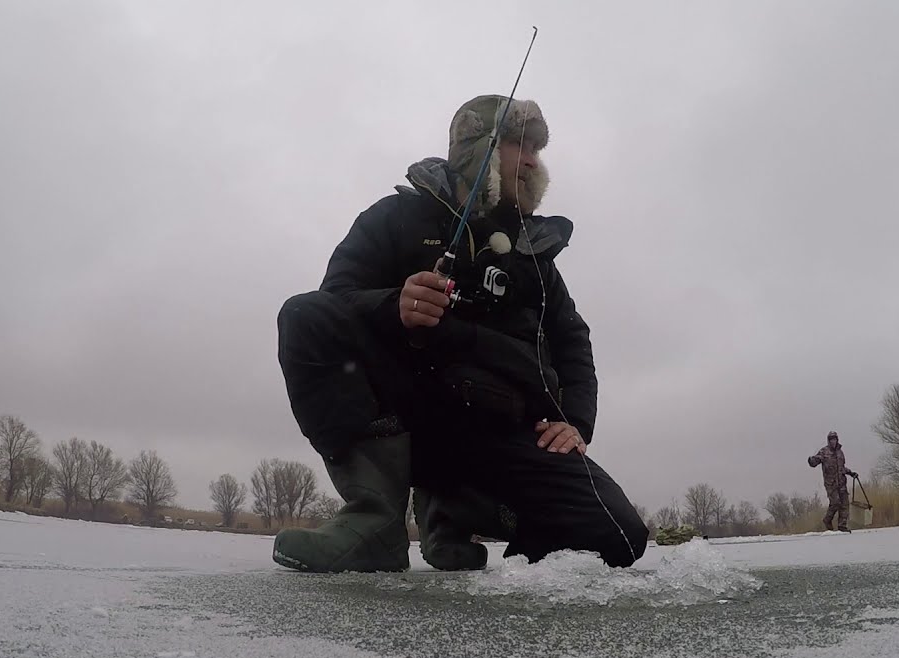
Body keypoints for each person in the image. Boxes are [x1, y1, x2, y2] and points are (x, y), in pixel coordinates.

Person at [271, 94, 650, 573]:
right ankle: (376, 523)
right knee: (305, 316)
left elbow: (573, 341)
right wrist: (395, 305)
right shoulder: (393, 218)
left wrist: (574, 420)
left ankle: (456, 511)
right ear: (480, 149)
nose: (534, 159)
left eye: (538, 148)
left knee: (618, 537)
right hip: (408, 415)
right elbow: (336, 296)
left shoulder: (536, 253)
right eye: (520, 143)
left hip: (502, 431)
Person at [807, 430, 858, 532]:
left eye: (834, 439)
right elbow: (816, 460)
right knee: (835, 503)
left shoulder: (840, 453)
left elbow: (842, 467)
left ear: (837, 439)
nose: (833, 441)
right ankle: (827, 520)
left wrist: (851, 473)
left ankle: (842, 526)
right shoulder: (824, 451)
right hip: (831, 484)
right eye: (831, 439)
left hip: (842, 482)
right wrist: (811, 461)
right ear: (828, 440)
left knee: (844, 504)